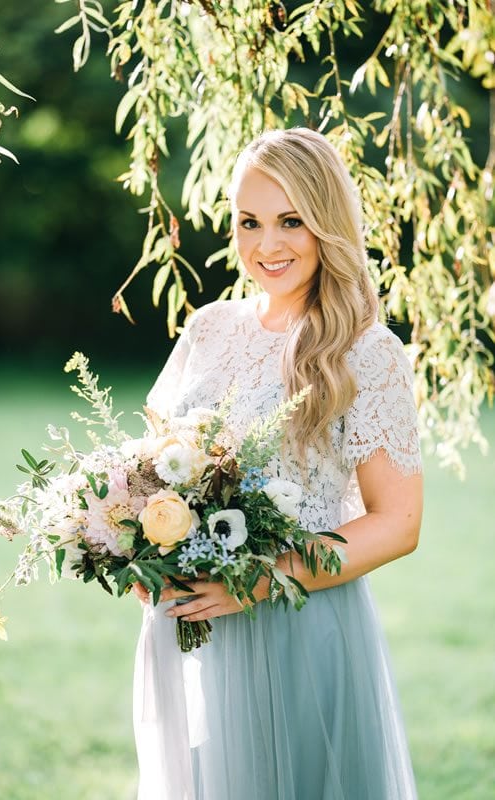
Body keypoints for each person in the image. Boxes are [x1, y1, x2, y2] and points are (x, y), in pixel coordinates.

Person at [133, 127, 423, 800]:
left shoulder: (364, 350)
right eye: (249, 222)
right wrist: (137, 554)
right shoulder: (208, 328)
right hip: (194, 634)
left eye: (292, 220)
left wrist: (259, 583)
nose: (267, 245)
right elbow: (152, 474)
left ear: (328, 222)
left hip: (299, 622)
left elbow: (398, 522)